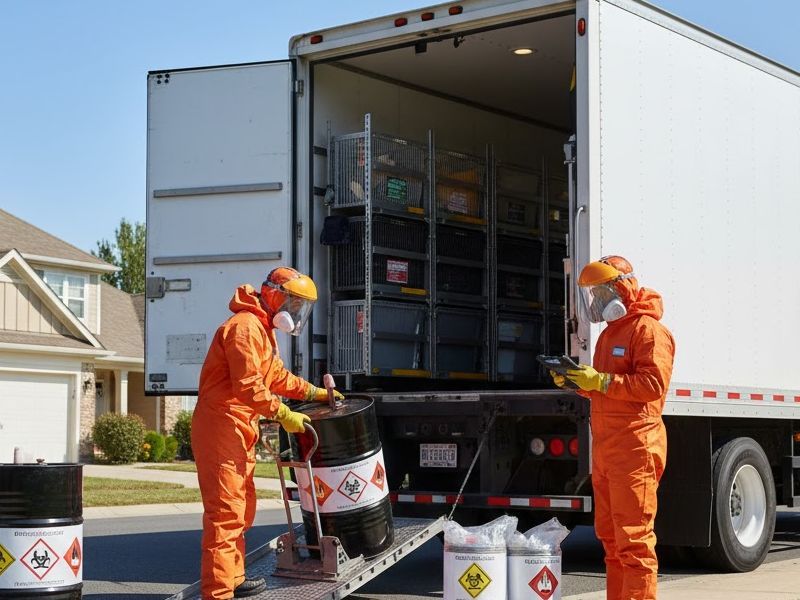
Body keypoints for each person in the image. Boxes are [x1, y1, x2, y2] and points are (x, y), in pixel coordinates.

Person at [192, 266, 344, 599]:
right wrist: (283, 413)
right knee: (225, 515)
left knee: (242, 509)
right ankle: (218, 594)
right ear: (275, 295)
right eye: (294, 304)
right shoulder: (244, 328)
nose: (295, 313)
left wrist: (313, 393)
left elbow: (275, 377)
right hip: (221, 428)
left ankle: (234, 578)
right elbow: (248, 386)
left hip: (236, 427)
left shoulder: (261, 328)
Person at [551, 255, 675, 600]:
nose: (597, 302)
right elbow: (607, 389)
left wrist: (600, 381)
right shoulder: (610, 335)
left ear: (621, 287)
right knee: (610, 539)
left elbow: (651, 386)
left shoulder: (649, 330)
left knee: (634, 542)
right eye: (593, 295)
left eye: (601, 293)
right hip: (608, 451)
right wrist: (576, 382)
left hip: (636, 448)